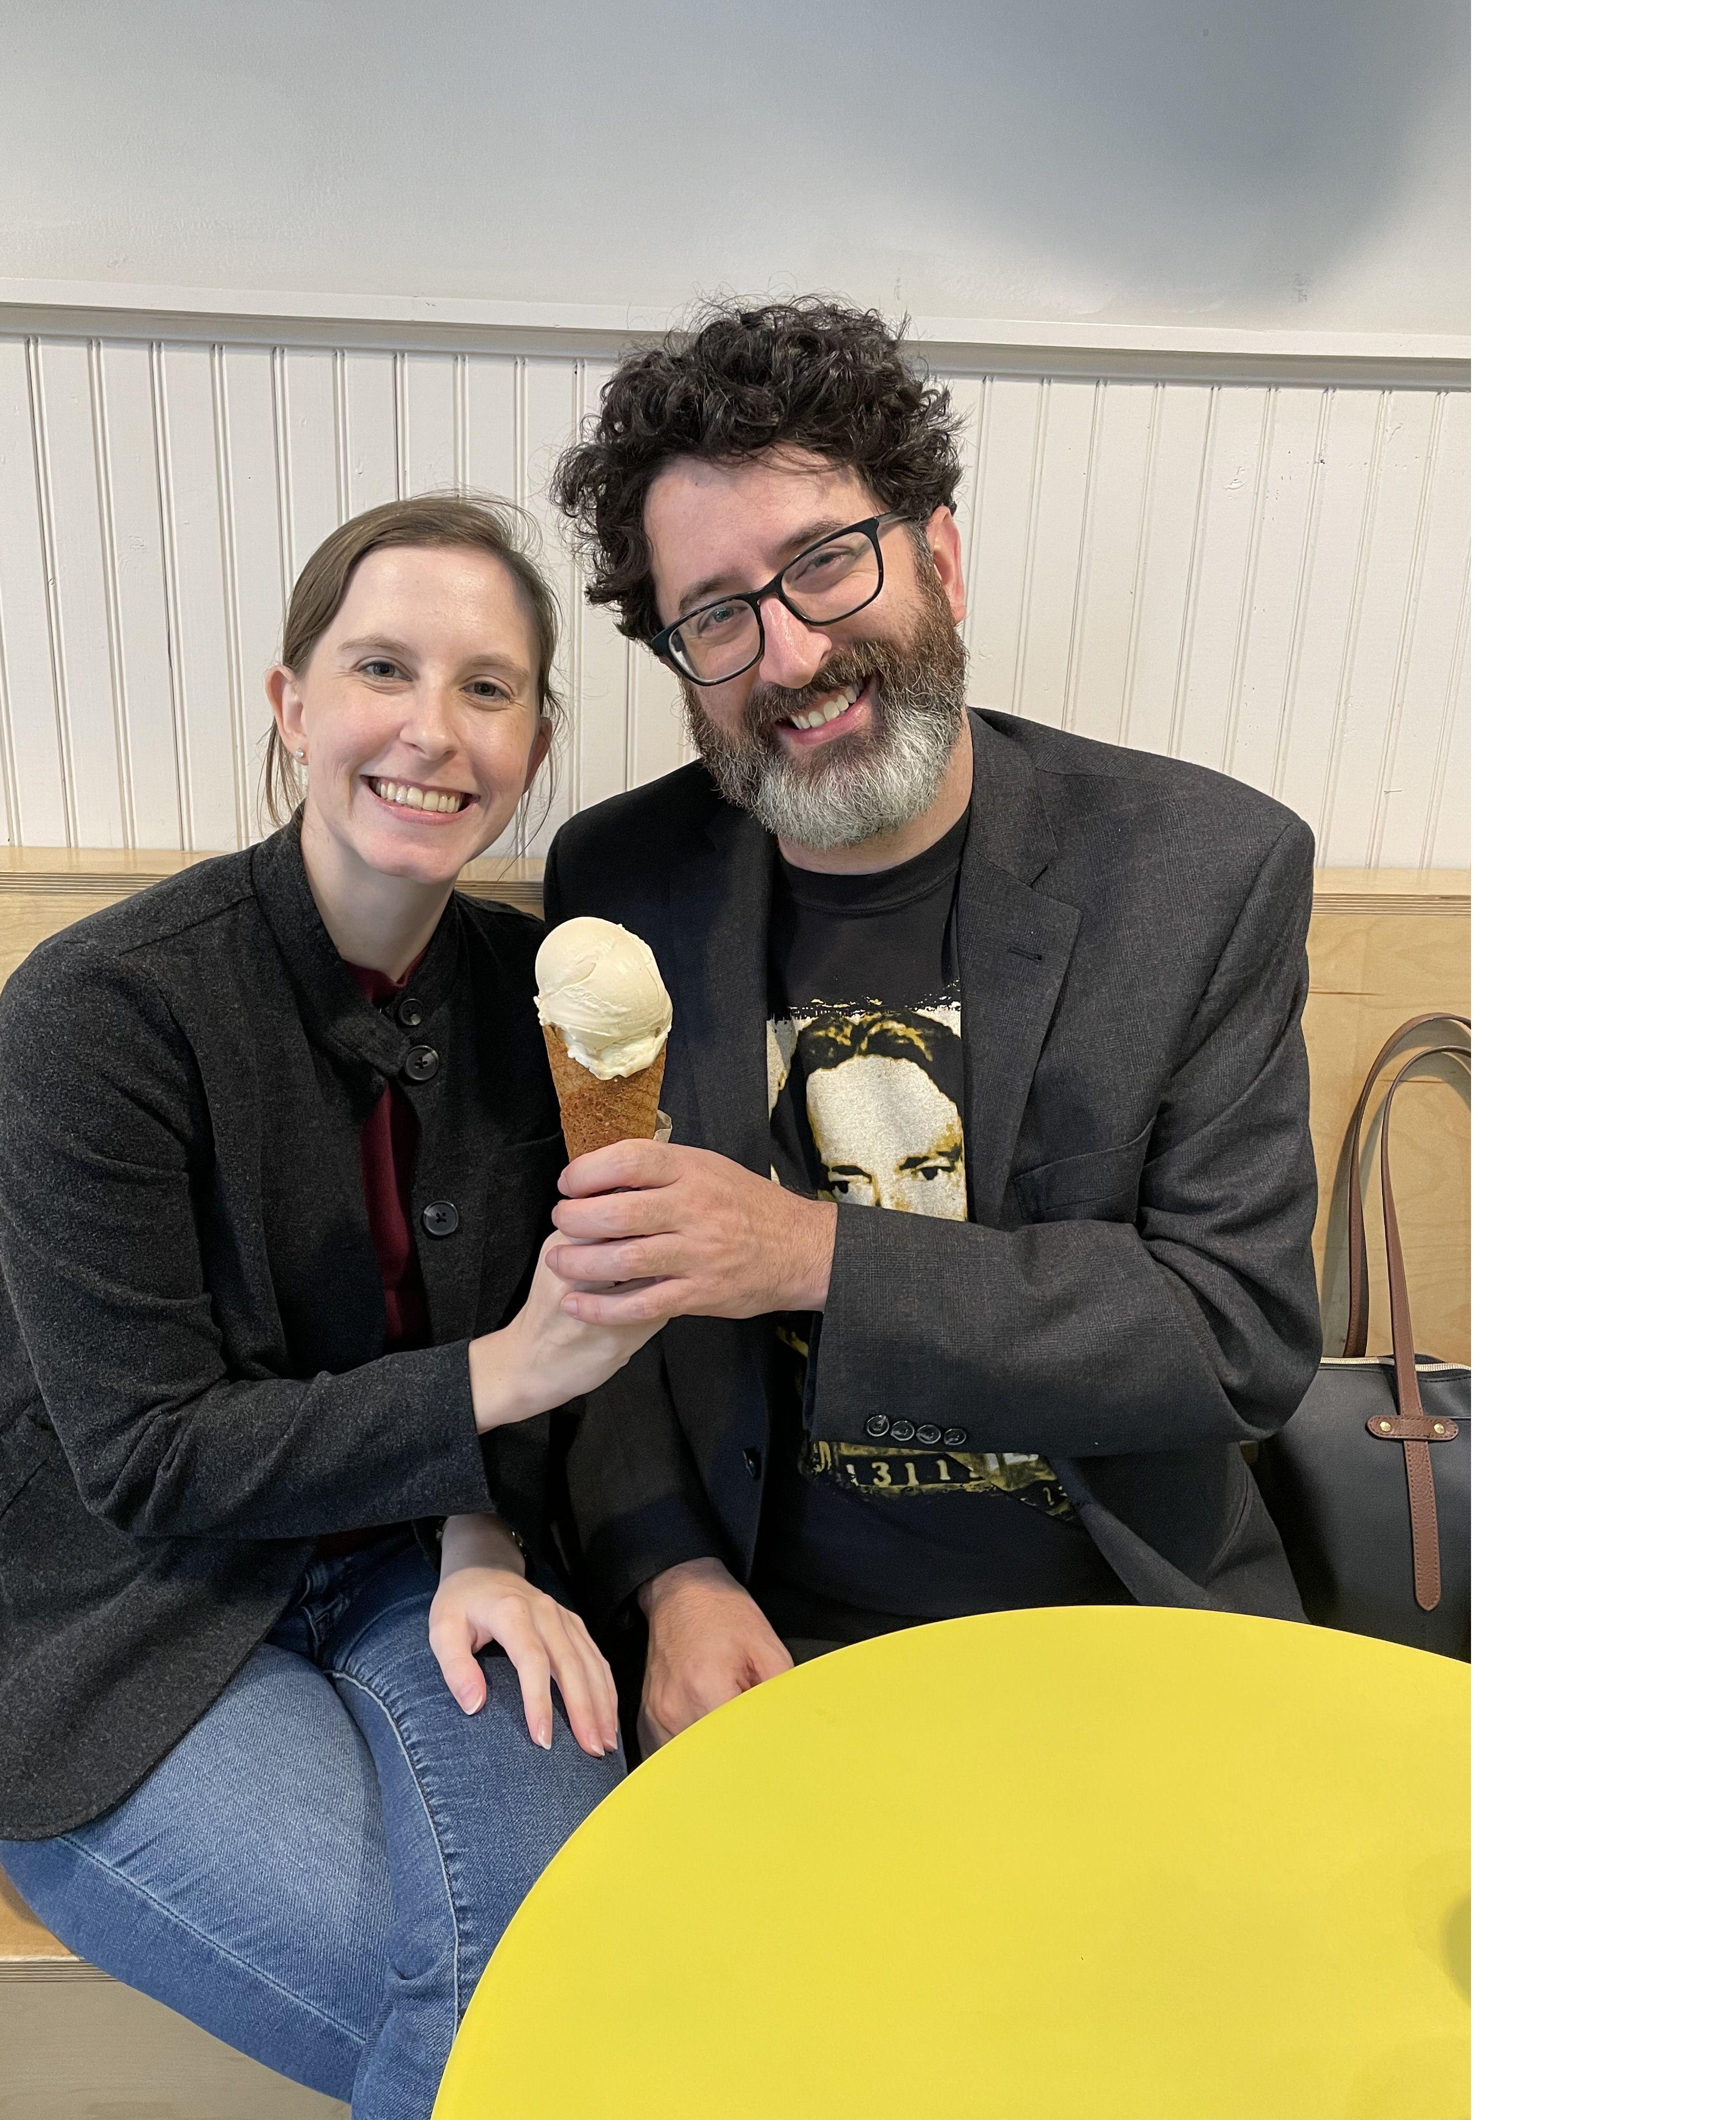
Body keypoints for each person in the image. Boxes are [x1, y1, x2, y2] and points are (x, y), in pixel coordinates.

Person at [0, 496, 648, 2118]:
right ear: (291, 702)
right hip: (128, 1629)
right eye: (383, 668)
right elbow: (150, 1460)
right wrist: (500, 1381)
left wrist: (481, 1540)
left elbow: (568, 1375)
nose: (432, 732)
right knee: (552, 2042)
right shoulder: (100, 1012)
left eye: (490, 688)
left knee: (607, 1962)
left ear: (532, 742)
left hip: (421, 1570)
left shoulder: (548, 1007)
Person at [540, 299, 1323, 1747]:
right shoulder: (618, 879)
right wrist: (671, 1576)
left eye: (827, 563)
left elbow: (1236, 1336)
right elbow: (598, 1294)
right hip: (769, 1644)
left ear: (940, 557)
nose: (787, 656)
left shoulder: (1201, 871)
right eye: (716, 613)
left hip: (1120, 1637)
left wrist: (809, 1255)